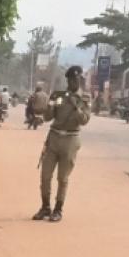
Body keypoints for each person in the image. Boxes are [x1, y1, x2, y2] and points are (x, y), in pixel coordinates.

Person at [33, 65, 90, 223]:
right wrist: (50, 106)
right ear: (68, 80)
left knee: (62, 178)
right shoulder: (58, 95)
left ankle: (58, 210)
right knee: (45, 175)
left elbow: (85, 120)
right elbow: (48, 117)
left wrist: (75, 106)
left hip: (71, 140)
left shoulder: (84, 98)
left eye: (77, 79)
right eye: (72, 79)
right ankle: (45, 207)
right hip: (54, 138)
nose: (74, 82)